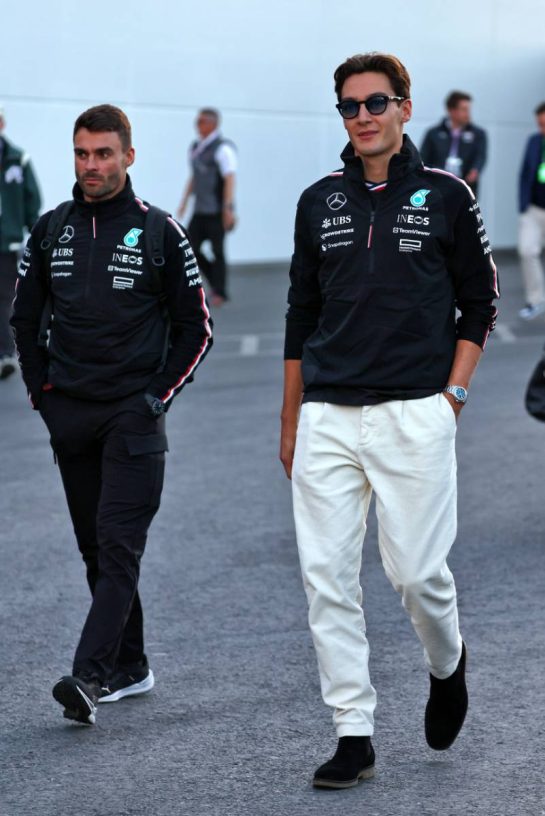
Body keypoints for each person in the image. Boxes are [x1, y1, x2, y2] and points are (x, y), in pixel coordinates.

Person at [280, 52, 499, 789]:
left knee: (413, 574)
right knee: (326, 579)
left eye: (377, 102)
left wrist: (452, 398)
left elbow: (479, 300)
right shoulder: (318, 201)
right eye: (349, 105)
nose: (363, 115)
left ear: (405, 108)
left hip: (415, 412)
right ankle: (353, 732)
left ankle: (447, 661)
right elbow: (298, 317)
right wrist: (291, 420)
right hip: (328, 416)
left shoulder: (447, 195)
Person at [11, 104, 213, 726]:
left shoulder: (160, 233)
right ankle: (132, 665)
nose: (92, 165)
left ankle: (90, 676)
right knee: (96, 551)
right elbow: (22, 320)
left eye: (104, 153)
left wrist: (155, 399)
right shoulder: (51, 230)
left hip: (133, 417)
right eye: (82, 154)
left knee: (120, 547)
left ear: (129, 155)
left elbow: (196, 329)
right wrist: (43, 397)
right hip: (69, 413)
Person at [177, 107, 236, 307]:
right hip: (200, 209)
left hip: (217, 210)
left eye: (201, 121)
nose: (197, 125)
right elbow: (194, 176)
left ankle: (221, 292)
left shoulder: (223, 149)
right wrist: (184, 201)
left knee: (218, 251)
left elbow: (230, 178)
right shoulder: (195, 147)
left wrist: (228, 208)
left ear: (212, 124)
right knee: (189, 248)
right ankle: (214, 281)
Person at [0, 104, 41, 379]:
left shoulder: (18, 159)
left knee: (4, 298)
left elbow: (32, 197)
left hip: (7, 241)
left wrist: (32, 230)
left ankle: (6, 354)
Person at [420, 90, 487, 196]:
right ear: (452, 110)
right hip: (438, 188)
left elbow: (481, 156)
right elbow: (423, 158)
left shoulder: (478, 134)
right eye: (464, 110)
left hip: (466, 187)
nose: (467, 114)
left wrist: (475, 170)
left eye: (468, 110)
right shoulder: (433, 133)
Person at [517, 102, 545, 320]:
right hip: (534, 209)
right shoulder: (534, 141)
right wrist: (523, 205)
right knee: (527, 250)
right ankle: (535, 300)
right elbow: (525, 172)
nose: (542, 129)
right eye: (540, 125)